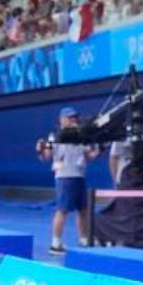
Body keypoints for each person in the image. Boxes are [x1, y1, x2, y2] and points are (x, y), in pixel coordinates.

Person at [37, 106, 100, 253]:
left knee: (83, 210)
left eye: (75, 117)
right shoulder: (55, 136)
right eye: (70, 118)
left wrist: (99, 149)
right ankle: (55, 244)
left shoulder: (82, 138)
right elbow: (45, 157)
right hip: (65, 177)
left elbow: (89, 157)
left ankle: (84, 239)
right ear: (62, 120)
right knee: (62, 210)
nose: (74, 120)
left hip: (80, 176)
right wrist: (39, 149)